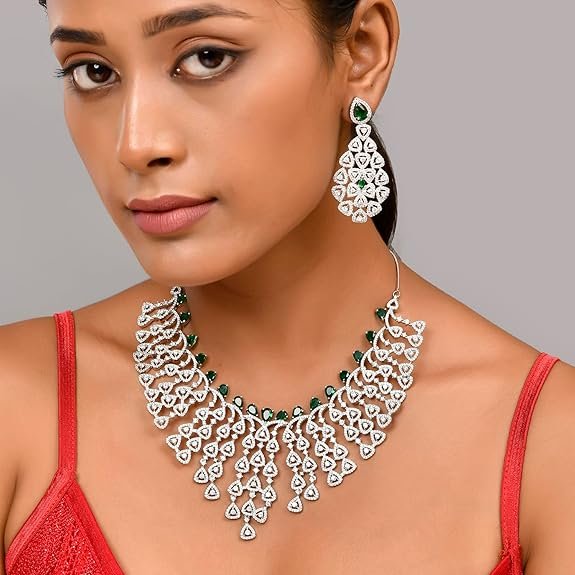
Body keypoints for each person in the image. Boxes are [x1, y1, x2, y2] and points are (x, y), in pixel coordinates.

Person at [1, 0, 574, 573]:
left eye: (206, 58)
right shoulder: (18, 400)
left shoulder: (551, 451)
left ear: (363, 52)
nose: (136, 144)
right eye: (93, 71)